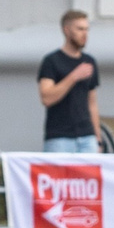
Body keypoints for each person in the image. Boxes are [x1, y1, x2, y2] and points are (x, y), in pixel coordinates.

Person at [38, 10, 102, 154]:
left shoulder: (89, 61)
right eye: (80, 29)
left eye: (87, 29)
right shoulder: (52, 61)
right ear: (66, 30)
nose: (85, 34)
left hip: (87, 136)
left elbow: (92, 103)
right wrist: (74, 76)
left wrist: (97, 138)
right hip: (60, 137)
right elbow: (46, 98)